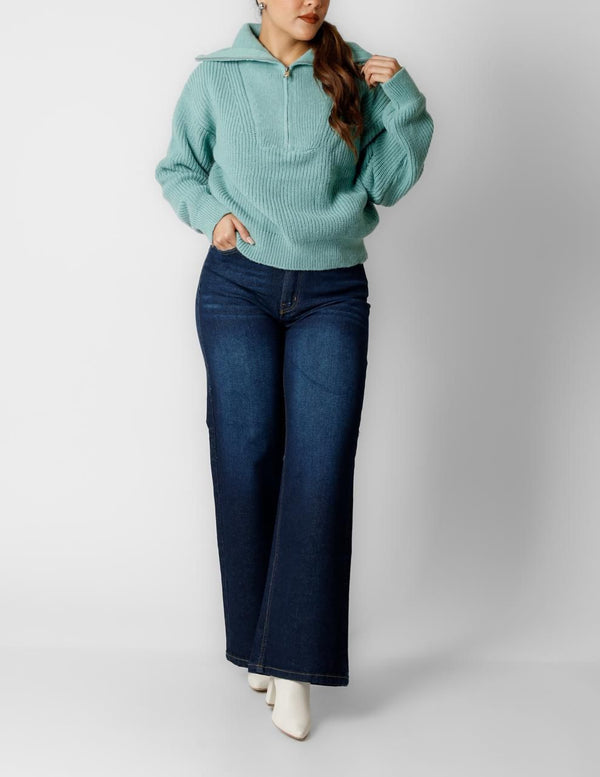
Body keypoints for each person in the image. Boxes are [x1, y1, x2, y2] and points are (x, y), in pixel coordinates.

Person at [155, 0, 434, 741]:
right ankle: (258, 643)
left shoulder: (355, 71)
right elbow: (178, 167)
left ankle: (294, 667)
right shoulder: (217, 79)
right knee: (244, 458)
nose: (311, 0)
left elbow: (387, 184)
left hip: (332, 293)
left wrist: (403, 101)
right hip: (236, 289)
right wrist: (212, 215)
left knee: (320, 465)